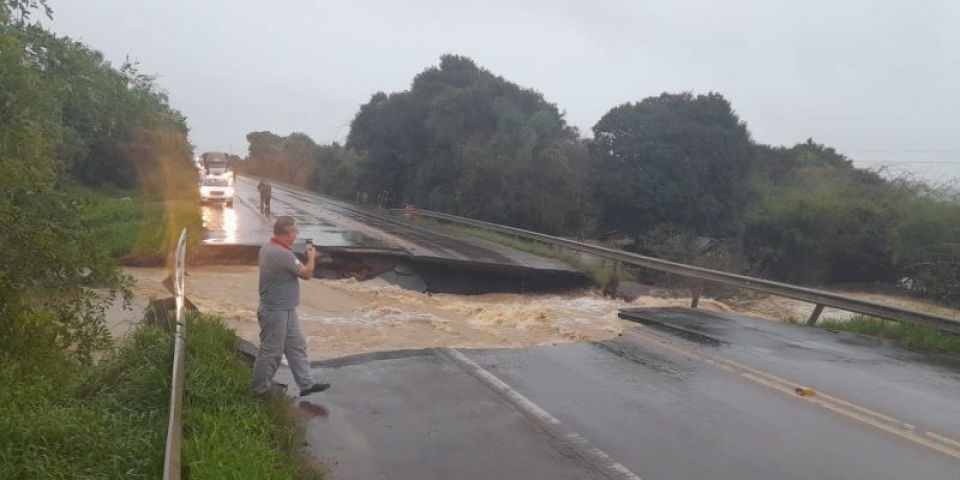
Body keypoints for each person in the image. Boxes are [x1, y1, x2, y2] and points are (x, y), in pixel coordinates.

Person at [253, 216, 329, 398]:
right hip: (276, 311)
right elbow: (307, 274)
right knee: (271, 351)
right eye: (295, 231)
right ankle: (260, 390)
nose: (297, 235)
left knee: (296, 346)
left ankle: (306, 384)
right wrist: (311, 257)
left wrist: (299, 260)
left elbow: (289, 267)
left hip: (285, 309)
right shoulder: (281, 253)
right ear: (288, 232)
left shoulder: (268, 247)